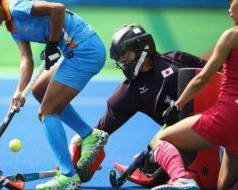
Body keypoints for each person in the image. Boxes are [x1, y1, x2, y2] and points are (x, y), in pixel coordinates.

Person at [0, 0, 109, 189]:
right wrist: (19, 91)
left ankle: (68, 176)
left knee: (46, 111)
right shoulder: (11, 26)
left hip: (84, 49)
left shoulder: (18, 8)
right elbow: (26, 60)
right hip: (73, 51)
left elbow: (57, 9)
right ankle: (89, 135)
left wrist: (51, 44)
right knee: (39, 90)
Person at [69, 23, 222, 187]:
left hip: (216, 121)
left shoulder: (177, 59)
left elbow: (218, 72)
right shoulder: (128, 92)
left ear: (142, 46)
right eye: (118, 58)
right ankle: (182, 179)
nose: (122, 61)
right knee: (152, 164)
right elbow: (101, 130)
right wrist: (79, 152)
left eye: (124, 54)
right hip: (185, 140)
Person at [149, 0, 238, 190]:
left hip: (226, 117)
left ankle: (181, 178)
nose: (228, 10)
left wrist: (177, 105)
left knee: (160, 138)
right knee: (223, 186)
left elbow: (202, 78)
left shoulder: (232, 35)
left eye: (232, 4)